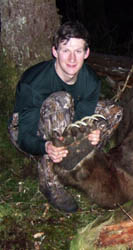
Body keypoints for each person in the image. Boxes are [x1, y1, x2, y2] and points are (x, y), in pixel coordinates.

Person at [8, 21, 123, 212]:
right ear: (55, 51)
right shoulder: (33, 82)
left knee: (113, 111)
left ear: (86, 54)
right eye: (65, 50)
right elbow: (25, 136)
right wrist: (45, 146)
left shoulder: (91, 80)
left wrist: (91, 134)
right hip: (27, 132)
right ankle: (50, 181)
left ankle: (79, 156)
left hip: (64, 119)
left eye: (78, 51)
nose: (71, 58)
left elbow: (81, 119)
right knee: (61, 100)